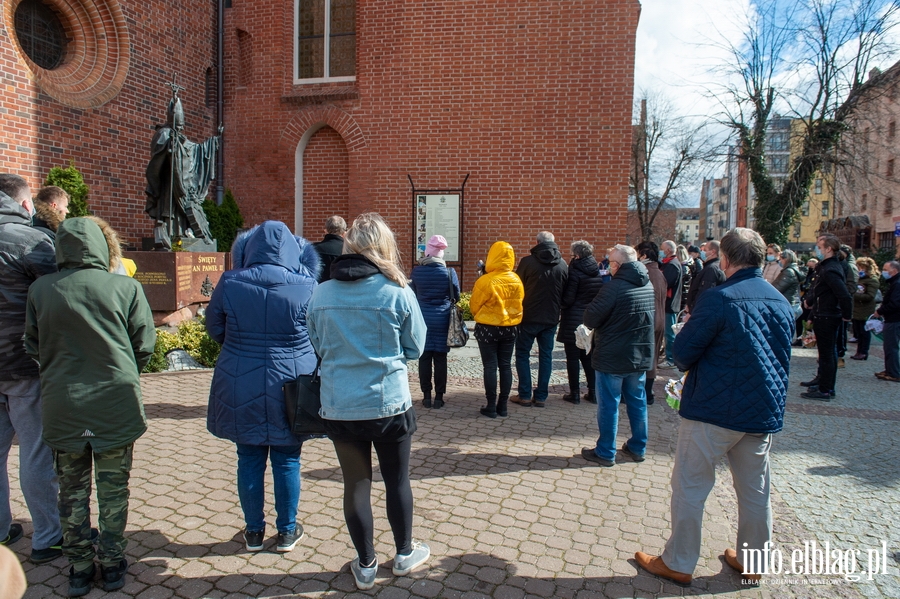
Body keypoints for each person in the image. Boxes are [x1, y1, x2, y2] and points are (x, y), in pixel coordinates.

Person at [634, 228, 793, 587]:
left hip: (714, 410)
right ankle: (754, 560)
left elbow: (683, 353)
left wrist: (687, 330)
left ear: (725, 259)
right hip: (761, 410)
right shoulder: (780, 301)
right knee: (755, 491)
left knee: (691, 486)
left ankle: (679, 561)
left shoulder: (719, 298)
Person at [24, 217, 156, 595]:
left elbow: (32, 343)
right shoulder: (125, 287)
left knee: (71, 490)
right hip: (114, 401)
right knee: (114, 489)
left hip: (63, 403)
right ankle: (112, 564)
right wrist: (123, 370)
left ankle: (79, 567)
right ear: (104, 246)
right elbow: (143, 345)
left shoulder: (41, 289)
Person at [307, 213, 430, 591]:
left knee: (356, 484)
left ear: (348, 245)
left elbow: (317, 344)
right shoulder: (397, 291)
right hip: (388, 403)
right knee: (397, 480)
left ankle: (365, 564)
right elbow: (416, 346)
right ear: (384, 246)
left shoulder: (322, 291)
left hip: (340, 403)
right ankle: (405, 553)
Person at [206, 221, 320, 554]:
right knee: (288, 460)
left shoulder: (230, 281)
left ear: (250, 248)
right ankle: (287, 532)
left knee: (249, 458)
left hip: (240, 379)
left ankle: (253, 532)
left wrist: (241, 347)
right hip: (292, 384)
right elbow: (317, 334)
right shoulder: (307, 285)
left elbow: (215, 328)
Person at [0, 174, 62, 564]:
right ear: (26, 205)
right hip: (22, 362)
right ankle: (48, 536)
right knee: (36, 450)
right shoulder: (31, 241)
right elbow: (62, 290)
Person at [580, 245, 654, 467]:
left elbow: (590, 318)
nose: (608, 265)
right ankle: (638, 446)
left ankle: (605, 451)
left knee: (609, 405)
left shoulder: (613, 288)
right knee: (637, 401)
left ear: (617, 265)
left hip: (613, 355)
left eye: (610, 262)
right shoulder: (647, 284)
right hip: (639, 354)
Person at [512, 231, 568, 407]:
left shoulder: (527, 262)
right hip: (551, 317)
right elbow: (566, 293)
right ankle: (542, 396)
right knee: (546, 356)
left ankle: (525, 394)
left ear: (537, 242)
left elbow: (517, 287)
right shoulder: (563, 265)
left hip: (528, 316)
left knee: (522, 354)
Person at [470, 241, 525, 418]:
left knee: (490, 366)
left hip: (488, 327)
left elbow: (474, 306)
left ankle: (491, 405)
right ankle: (503, 406)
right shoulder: (516, 280)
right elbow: (520, 303)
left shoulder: (485, 281)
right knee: (506, 366)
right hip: (510, 327)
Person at [410, 235, 460, 409]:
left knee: (424, 358)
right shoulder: (449, 272)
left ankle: (425, 397)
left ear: (427, 252)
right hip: (442, 319)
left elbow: (412, 295)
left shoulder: (417, 271)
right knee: (440, 358)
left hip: (423, 319)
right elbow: (457, 295)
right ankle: (439, 397)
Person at [800, 235, 852, 400]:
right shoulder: (826, 267)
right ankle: (823, 384)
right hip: (823, 313)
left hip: (828, 315)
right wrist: (811, 303)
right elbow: (820, 291)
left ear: (828, 249)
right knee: (826, 354)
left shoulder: (831, 269)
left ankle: (825, 389)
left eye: (820, 247)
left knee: (828, 354)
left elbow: (843, 294)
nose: (817, 250)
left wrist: (846, 315)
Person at [556, 241, 603, 405]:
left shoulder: (575, 271)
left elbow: (568, 299)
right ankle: (593, 392)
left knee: (572, 358)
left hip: (573, 320)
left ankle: (574, 393)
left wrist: (560, 302)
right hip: (589, 320)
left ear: (577, 255)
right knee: (588, 357)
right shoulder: (596, 270)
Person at [636, 241, 666, 406]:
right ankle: (648, 393)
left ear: (644, 255)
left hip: (649, 320)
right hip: (659, 319)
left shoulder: (645, 271)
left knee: (644, 357)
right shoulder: (659, 272)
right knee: (652, 357)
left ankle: (644, 393)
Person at [874, 261, 900, 382]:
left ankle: (894, 372)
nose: (883, 271)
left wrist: (880, 311)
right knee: (888, 346)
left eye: (885, 269)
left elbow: (895, 303)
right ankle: (890, 370)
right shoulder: (894, 282)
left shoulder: (897, 284)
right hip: (892, 319)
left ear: (894, 271)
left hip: (894, 319)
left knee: (891, 347)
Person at [850, 257, 880, 361]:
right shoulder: (859, 279)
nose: (858, 269)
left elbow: (870, 296)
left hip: (865, 310)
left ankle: (863, 352)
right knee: (858, 332)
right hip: (857, 310)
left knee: (864, 332)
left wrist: (854, 295)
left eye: (860, 267)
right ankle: (858, 351)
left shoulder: (872, 281)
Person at [684, 240, 725, 314]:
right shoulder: (713, 266)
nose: (702, 253)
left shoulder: (711, 269)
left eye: (705, 250)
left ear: (712, 252)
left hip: (701, 312)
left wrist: (692, 311)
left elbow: (704, 293)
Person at [659, 240, 682, 368]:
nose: (661, 251)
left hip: (670, 303)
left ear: (668, 250)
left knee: (669, 333)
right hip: (668, 303)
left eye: (662, 249)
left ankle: (671, 359)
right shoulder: (669, 264)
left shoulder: (672, 265)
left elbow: (667, 282)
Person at [313, 215, 347, 282]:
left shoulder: (312, 249)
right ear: (344, 233)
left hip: (316, 289)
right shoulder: (348, 250)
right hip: (341, 290)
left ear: (325, 231)